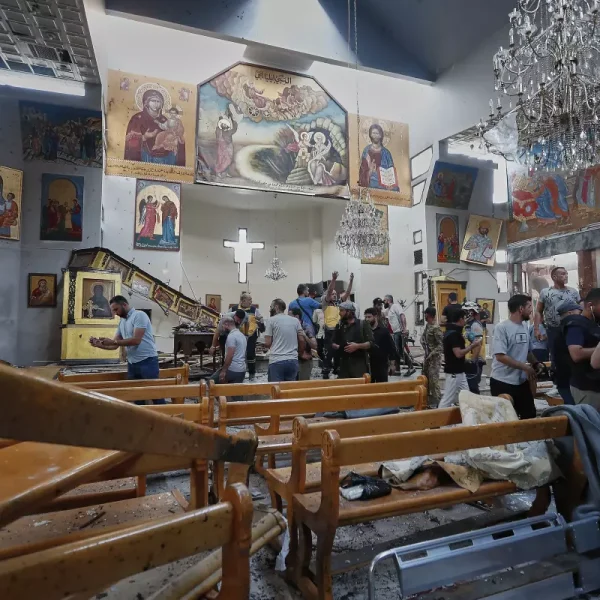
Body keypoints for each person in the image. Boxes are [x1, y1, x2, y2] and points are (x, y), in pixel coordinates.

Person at [89, 296, 165, 405]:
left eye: (116, 309)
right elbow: (114, 345)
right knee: (137, 396)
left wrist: (113, 342)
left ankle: (167, 415)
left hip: (147, 361)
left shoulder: (139, 315)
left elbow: (136, 340)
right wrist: (98, 345)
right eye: (113, 310)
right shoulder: (122, 322)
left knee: (155, 395)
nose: (115, 313)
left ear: (124, 305)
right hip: (132, 363)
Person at [490, 294, 544, 419]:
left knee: (529, 415)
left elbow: (528, 351)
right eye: (529, 307)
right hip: (502, 381)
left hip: (521, 382)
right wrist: (524, 367)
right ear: (521, 309)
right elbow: (500, 356)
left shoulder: (525, 326)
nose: (531, 310)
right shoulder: (501, 328)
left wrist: (536, 363)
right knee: (507, 419)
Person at [534, 266, 581, 367]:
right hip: (553, 329)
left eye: (566, 274)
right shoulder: (545, 292)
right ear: (554, 277)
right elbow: (538, 311)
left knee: (572, 355)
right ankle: (557, 374)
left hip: (571, 328)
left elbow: (581, 308)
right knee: (556, 356)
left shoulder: (573, 292)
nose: (566, 276)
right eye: (563, 274)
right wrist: (537, 329)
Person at [124, 88, 185, 166]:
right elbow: (130, 141)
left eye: (158, 101)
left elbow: (174, 134)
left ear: (161, 104)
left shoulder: (164, 119)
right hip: (145, 158)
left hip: (166, 158)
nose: (156, 104)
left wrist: (176, 138)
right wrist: (144, 137)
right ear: (146, 102)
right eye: (153, 101)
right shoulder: (137, 118)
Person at [562, 289, 600, 408]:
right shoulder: (576, 324)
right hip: (587, 387)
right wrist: (597, 351)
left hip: (596, 384)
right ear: (590, 306)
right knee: (592, 418)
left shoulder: (595, 324)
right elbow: (576, 354)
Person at [439, 310, 481, 408]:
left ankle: (468, 416)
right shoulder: (454, 334)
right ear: (460, 319)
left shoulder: (451, 332)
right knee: (447, 400)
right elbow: (458, 354)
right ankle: (438, 417)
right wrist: (472, 346)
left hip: (460, 372)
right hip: (454, 373)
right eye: (464, 318)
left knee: (467, 397)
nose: (465, 321)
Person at [264, 298, 306, 382]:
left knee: (276, 388)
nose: (270, 309)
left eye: (271, 307)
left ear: (276, 307)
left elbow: (268, 343)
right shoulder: (295, 321)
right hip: (292, 360)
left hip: (276, 361)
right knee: (290, 388)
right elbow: (301, 340)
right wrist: (300, 353)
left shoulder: (271, 320)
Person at [321, 272, 353, 378]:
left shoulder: (339, 303)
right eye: (332, 294)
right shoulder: (325, 303)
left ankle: (338, 371)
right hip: (329, 332)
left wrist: (351, 281)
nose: (334, 295)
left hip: (339, 331)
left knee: (339, 354)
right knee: (328, 354)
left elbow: (347, 292)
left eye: (335, 294)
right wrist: (333, 279)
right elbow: (329, 290)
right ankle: (326, 373)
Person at [332, 302, 374, 379]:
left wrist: (357, 346)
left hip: (359, 366)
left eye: (342, 310)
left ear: (349, 311)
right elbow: (333, 342)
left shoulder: (362, 324)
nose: (339, 313)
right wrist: (339, 347)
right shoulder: (339, 326)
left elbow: (371, 343)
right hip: (343, 367)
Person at [553, 301, 582, 405]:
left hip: (564, 380)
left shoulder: (559, 329)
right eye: (579, 312)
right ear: (570, 313)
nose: (581, 315)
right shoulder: (570, 329)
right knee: (576, 410)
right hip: (569, 380)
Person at [210, 316, 247, 397]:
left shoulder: (231, 336)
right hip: (242, 370)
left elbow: (230, 355)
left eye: (222, 326)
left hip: (232, 369)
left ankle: (218, 403)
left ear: (226, 324)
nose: (222, 329)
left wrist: (223, 371)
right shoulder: (242, 335)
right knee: (236, 395)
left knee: (209, 384)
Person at [358, 123, 399, 191]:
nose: (375, 136)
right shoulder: (366, 150)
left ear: (381, 135)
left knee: (395, 189)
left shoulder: (386, 153)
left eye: (377, 133)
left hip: (384, 182)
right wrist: (370, 170)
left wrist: (390, 183)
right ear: (370, 135)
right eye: (373, 133)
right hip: (371, 180)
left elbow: (391, 170)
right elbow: (362, 170)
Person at [383, 294, 414, 376]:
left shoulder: (395, 306)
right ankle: (398, 370)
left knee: (399, 351)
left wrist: (404, 329)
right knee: (397, 351)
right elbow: (383, 317)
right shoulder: (388, 310)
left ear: (389, 300)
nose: (383, 302)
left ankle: (411, 367)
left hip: (400, 331)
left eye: (384, 301)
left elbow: (402, 316)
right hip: (395, 332)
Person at [364, 307, 396, 383]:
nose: (367, 319)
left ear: (375, 316)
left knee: (382, 387)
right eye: (366, 317)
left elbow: (391, 348)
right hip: (368, 365)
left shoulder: (384, 331)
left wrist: (392, 365)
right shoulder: (364, 331)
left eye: (369, 317)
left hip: (381, 365)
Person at [235, 292, 263, 379]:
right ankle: (238, 373)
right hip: (238, 336)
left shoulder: (254, 310)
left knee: (250, 354)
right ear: (243, 300)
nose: (251, 301)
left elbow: (261, 319)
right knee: (238, 354)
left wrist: (260, 322)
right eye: (249, 300)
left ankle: (252, 373)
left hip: (251, 336)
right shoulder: (234, 309)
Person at [420, 307, 443, 406]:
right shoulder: (428, 326)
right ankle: (426, 402)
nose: (424, 316)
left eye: (425, 314)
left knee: (433, 381)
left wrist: (432, 353)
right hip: (427, 358)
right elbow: (424, 337)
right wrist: (422, 340)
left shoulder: (436, 328)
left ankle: (439, 404)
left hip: (434, 359)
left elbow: (441, 345)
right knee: (425, 380)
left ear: (429, 315)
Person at [290, 307, 317, 380]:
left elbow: (314, 345)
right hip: (292, 360)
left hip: (304, 362)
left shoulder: (307, 327)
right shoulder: (289, 327)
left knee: (302, 383)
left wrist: (305, 336)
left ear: (296, 316)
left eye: (290, 316)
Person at [464, 302, 485, 394]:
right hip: (468, 360)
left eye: (465, 311)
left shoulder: (475, 325)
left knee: (473, 387)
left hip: (474, 361)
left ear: (471, 312)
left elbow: (477, 344)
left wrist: (472, 361)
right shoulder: (468, 324)